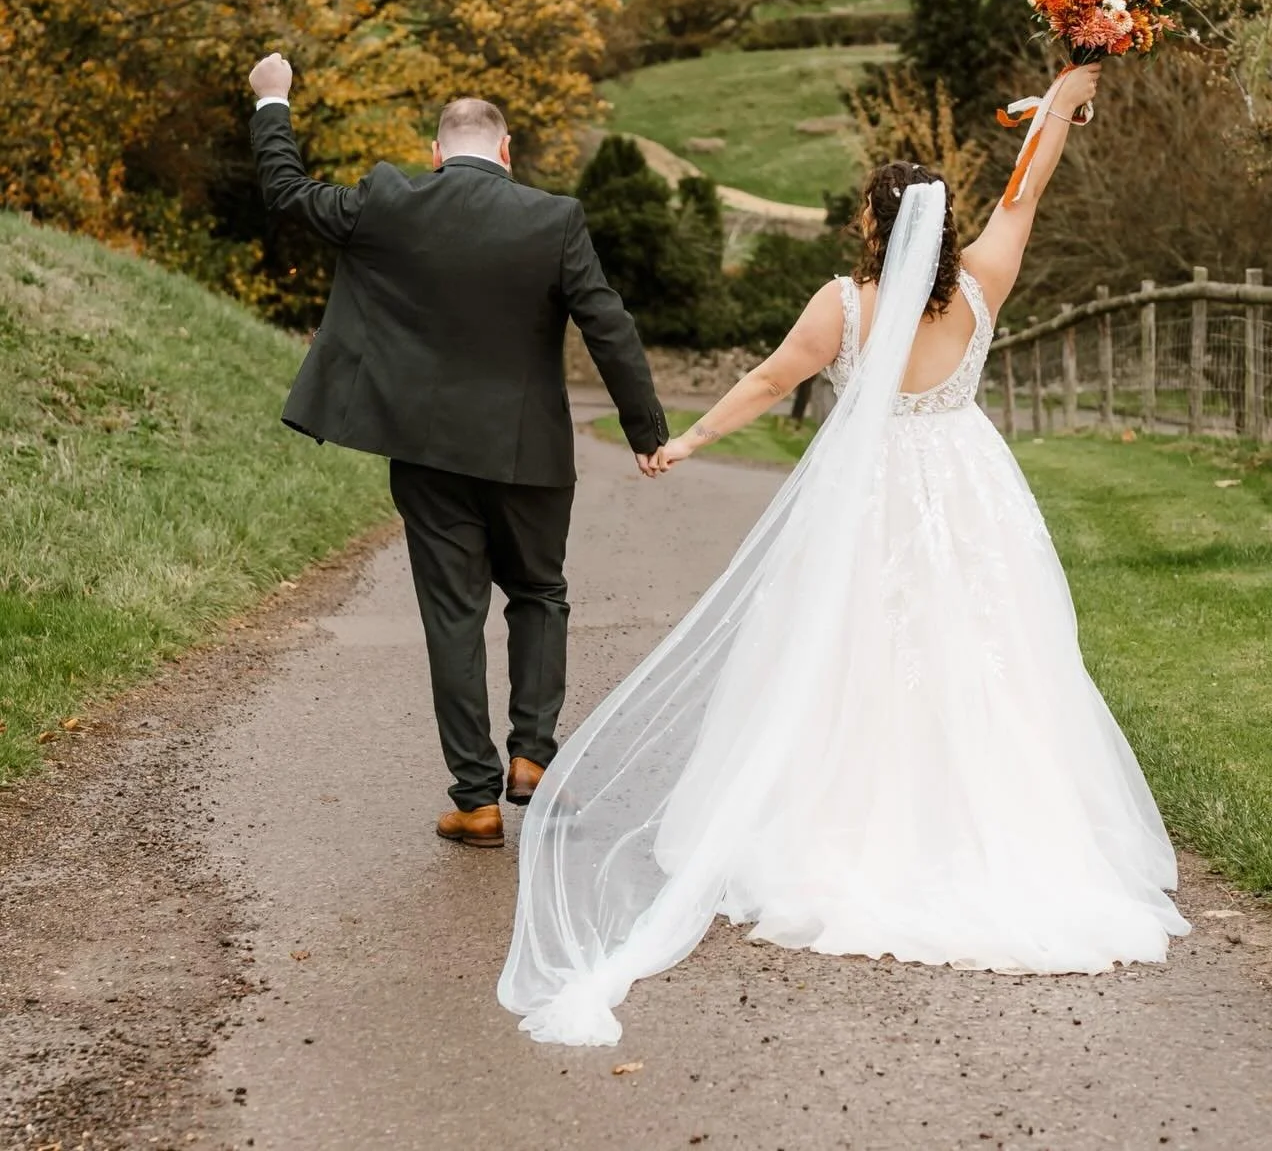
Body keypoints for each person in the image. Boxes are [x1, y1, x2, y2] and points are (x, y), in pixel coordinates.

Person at [499, 60, 1190, 1046]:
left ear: (874, 226)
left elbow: (770, 376)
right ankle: (1001, 834)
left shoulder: (847, 306)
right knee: (987, 653)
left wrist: (687, 441)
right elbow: (1025, 187)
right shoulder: (986, 283)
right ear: (944, 229)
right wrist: (1066, 103)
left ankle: (844, 832)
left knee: (849, 655)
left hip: (871, 496)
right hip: (969, 485)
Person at [246, 53, 668, 852]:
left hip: (429, 454)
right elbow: (608, 322)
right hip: (530, 453)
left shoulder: (389, 200)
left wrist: (275, 100)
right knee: (540, 593)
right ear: (506, 152)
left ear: (437, 153)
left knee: (452, 615)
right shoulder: (554, 219)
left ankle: (475, 801)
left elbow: (288, 195)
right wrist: (645, 430)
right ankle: (533, 757)